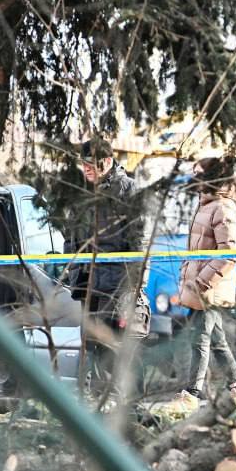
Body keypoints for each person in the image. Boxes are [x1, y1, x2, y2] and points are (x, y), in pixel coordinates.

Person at [66, 138, 149, 386]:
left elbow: (140, 241)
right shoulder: (81, 192)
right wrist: (74, 272)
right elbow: (71, 237)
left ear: (108, 162)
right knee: (91, 346)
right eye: (84, 165)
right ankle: (95, 408)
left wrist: (135, 286)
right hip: (87, 282)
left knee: (119, 348)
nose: (86, 170)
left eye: (91, 164)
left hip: (118, 284)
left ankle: (132, 406)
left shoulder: (128, 191)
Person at [179, 158, 236, 401]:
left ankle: (192, 393)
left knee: (201, 338)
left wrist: (202, 282)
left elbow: (228, 253)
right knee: (215, 339)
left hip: (209, 288)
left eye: (198, 173)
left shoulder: (223, 207)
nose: (193, 177)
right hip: (200, 286)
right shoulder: (205, 204)